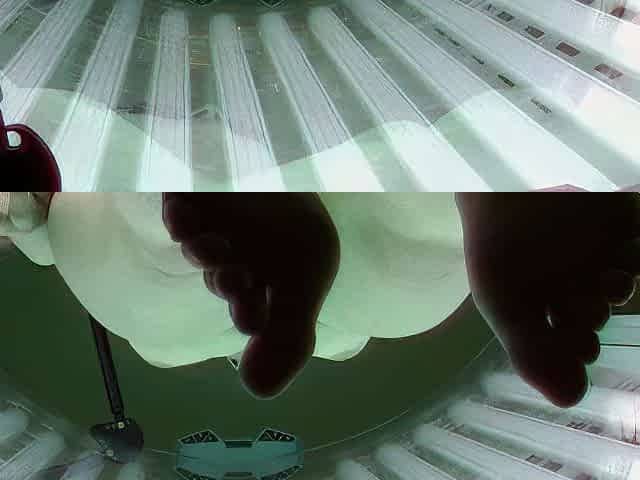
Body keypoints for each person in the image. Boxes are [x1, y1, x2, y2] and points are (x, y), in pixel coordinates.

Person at [2, 192, 639, 409]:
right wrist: (29, 223)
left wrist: (28, 226)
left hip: (365, 311)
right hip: (356, 313)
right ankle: (464, 197)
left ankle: (458, 206)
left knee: (402, 270)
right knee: (144, 286)